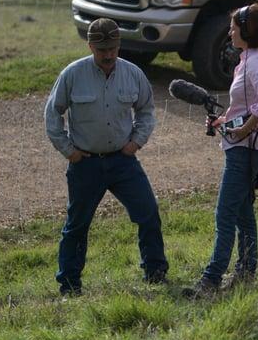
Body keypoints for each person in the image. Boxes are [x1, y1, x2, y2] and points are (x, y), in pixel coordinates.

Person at [44, 18, 168, 296]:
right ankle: (69, 286)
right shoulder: (72, 75)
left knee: (148, 214)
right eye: (102, 50)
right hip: (85, 164)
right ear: (90, 46)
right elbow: (53, 114)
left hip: (123, 162)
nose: (108, 55)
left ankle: (156, 274)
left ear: (119, 44)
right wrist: (70, 152)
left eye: (112, 48)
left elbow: (146, 110)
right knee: (77, 225)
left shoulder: (133, 73)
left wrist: (136, 142)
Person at [183, 3, 258, 298]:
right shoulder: (253, 57)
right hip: (246, 147)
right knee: (242, 214)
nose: (230, 31)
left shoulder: (253, 63)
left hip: (245, 150)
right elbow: (250, 105)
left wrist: (245, 129)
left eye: (234, 27)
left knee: (224, 214)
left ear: (247, 31)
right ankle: (246, 273)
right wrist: (224, 120)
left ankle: (210, 282)